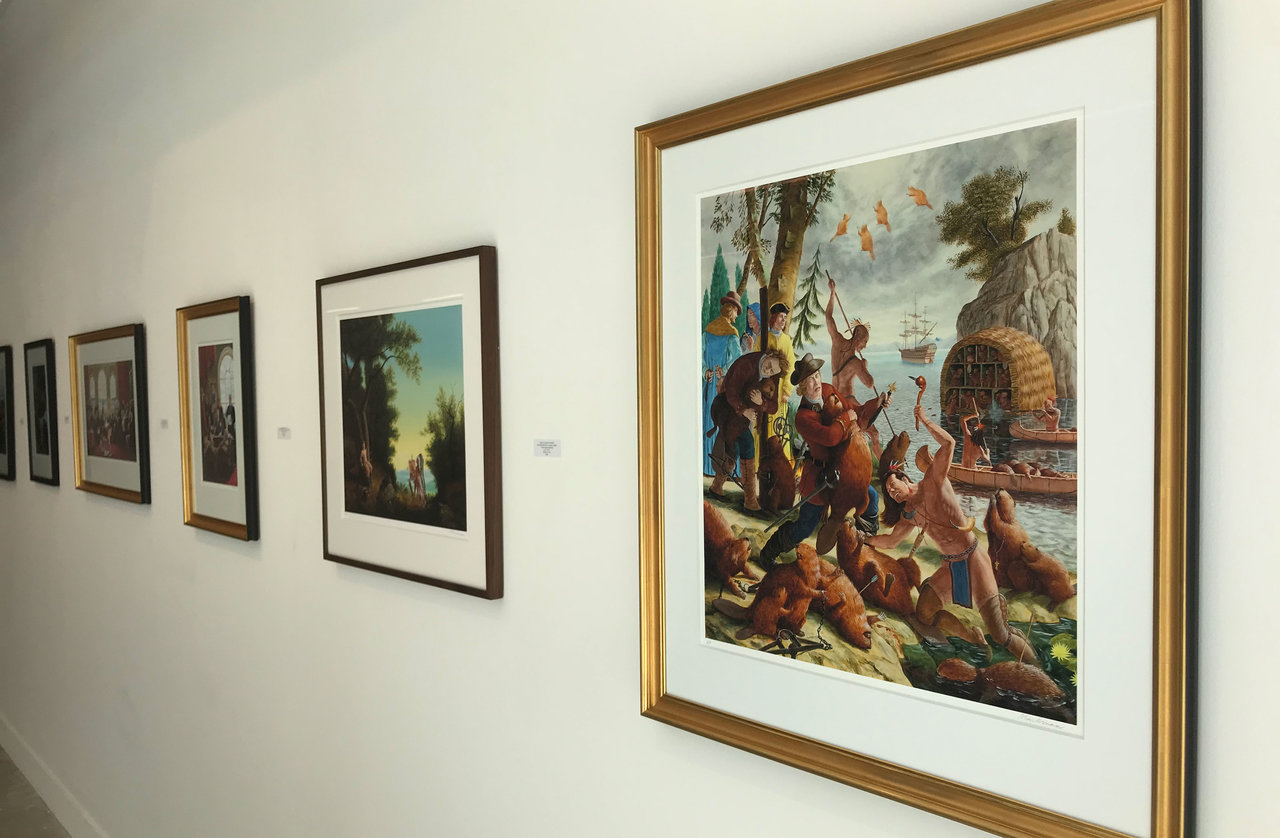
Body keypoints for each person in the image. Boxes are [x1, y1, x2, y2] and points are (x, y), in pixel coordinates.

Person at [867, 406, 1035, 662]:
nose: (892, 492)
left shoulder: (933, 480)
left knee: (1000, 633)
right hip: (951, 565)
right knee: (924, 613)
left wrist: (925, 419)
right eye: (889, 492)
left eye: (893, 485)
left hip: (974, 560)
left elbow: (949, 443)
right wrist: (865, 539)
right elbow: (891, 541)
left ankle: (1036, 665)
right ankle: (971, 636)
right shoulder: (910, 514)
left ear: (904, 478)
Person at [756, 354, 882, 567]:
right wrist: (846, 418)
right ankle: (768, 554)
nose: (816, 382)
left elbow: (854, 410)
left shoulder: (828, 390)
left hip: (843, 473)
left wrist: (876, 404)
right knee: (805, 527)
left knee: (870, 496)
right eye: (810, 380)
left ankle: (866, 547)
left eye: (817, 376)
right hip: (819, 478)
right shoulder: (803, 417)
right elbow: (831, 437)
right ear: (801, 388)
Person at [708, 349, 788, 512]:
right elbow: (731, 392)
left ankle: (718, 487)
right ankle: (749, 499)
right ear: (769, 356)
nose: (768, 371)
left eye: (772, 371)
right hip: (725, 409)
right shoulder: (746, 364)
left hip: (742, 418)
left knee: (737, 449)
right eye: (769, 365)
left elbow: (773, 407)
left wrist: (761, 402)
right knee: (745, 445)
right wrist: (744, 410)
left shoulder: (773, 374)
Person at [702, 291, 743, 475]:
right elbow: (737, 359)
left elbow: (699, 355)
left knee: (710, 420)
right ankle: (724, 469)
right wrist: (724, 370)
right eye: (736, 312)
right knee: (725, 422)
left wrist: (706, 371)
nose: (736, 316)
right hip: (723, 385)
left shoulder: (708, 331)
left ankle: (708, 467)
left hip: (710, 383)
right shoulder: (732, 334)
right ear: (731, 310)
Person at [761, 302, 795, 456]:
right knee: (764, 427)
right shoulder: (763, 338)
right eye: (781, 317)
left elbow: (791, 367)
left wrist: (787, 390)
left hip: (780, 391)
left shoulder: (786, 341)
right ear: (774, 318)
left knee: (779, 427)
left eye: (785, 318)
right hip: (764, 390)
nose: (783, 321)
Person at [959, 396, 991, 469]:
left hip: (963, 467)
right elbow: (987, 459)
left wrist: (973, 415)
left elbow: (963, 420)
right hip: (972, 468)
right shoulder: (979, 449)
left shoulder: (967, 438)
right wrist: (988, 452)